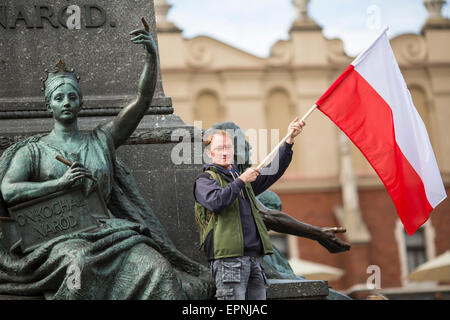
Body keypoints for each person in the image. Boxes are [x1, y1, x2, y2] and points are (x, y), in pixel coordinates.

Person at [0, 25, 214, 299]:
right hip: (58, 238)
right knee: (79, 262)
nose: (66, 102)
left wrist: (151, 57)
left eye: (72, 97)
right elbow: (9, 190)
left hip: (107, 231)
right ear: (48, 105)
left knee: (156, 266)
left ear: (81, 104)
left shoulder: (101, 140)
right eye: (58, 97)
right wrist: (60, 184)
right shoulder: (33, 151)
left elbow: (142, 102)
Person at [194, 119, 305, 300]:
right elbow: (217, 202)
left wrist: (289, 140)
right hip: (229, 261)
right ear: (210, 153)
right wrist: (241, 180)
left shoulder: (240, 179)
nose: (224, 153)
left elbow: (273, 172)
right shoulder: (205, 180)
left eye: (228, 148)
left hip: (254, 259)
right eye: (219, 148)